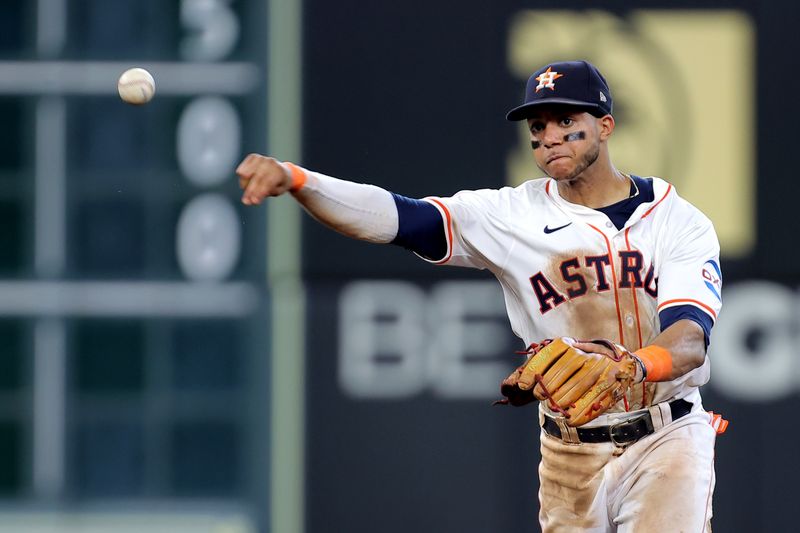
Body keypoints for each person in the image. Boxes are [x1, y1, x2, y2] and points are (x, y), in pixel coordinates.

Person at [235, 60, 726, 532]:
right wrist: (301, 181)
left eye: (565, 119)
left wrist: (633, 367)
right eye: (537, 124)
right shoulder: (509, 215)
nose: (549, 135)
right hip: (571, 451)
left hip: (668, 432)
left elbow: (689, 340)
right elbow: (399, 219)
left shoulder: (676, 221)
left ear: (605, 125)